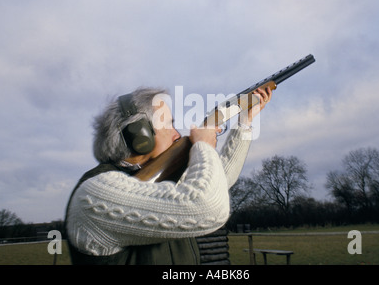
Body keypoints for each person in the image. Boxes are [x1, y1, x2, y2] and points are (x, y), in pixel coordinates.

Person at [65, 86, 272, 264]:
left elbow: (221, 181)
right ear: (141, 136)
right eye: (169, 124)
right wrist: (203, 145)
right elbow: (209, 207)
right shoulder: (95, 194)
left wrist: (245, 122)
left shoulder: (162, 179)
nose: (177, 134)